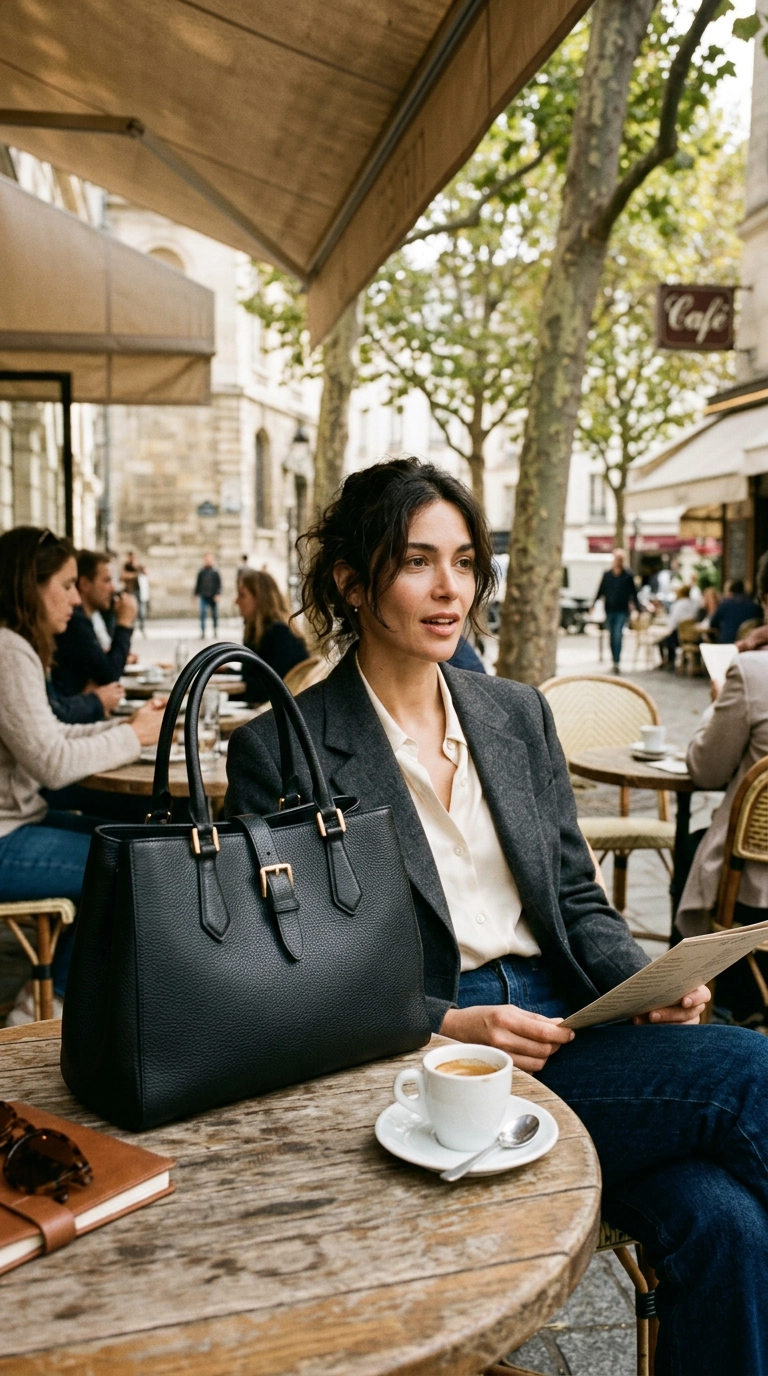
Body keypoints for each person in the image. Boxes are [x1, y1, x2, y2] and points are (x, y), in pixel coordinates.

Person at [226, 458, 768, 1376]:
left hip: (570, 1025)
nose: (451, 590)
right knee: (749, 1072)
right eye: (418, 562)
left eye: (467, 561)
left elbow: (577, 897)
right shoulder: (285, 746)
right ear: (354, 581)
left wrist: (642, 986)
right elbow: (292, 969)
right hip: (430, 1060)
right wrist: (441, 1021)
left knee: (728, 1226)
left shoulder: (513, 714)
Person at [0, 527, 164, 1023]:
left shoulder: (14, 646)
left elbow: (46, 735)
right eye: (67, 584)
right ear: (31, 584)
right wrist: (133, 736)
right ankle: (48, 1005)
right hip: (6, 836)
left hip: (19, 823)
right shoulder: (8, 650)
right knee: (135, 866)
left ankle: (69, 991)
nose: (75, 598)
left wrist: (123, 727)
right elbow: (50, 762)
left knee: (137, 840)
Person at [676, 553, 768, 1015]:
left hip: (755, 890)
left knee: (692, 851)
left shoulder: (752, 672)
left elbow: (705, 771)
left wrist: (716, 703)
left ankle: (694, 1001)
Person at [51, 549, 136, 697]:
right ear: (84, 584)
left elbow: (104, 665)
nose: (113, 588)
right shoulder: (74, 621)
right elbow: (109, 674)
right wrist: (123, 624)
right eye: (106, 580)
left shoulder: (89, 617)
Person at [235, 569, 308, 700]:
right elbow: (255, 676)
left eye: (242, 595)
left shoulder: (279, 634)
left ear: (259, 598)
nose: (236, 601)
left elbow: (270, 687)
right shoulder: (258, 632)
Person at [591, 549, 638, 673]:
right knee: (611, 636)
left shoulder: (628, 575)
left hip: (622, 610)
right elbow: (600, 590)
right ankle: (614, 659)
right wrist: (593, 604)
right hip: (609, 609)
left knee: (618, 634)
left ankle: (617, 661)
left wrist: (637, 609)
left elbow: (634, 593)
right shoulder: (607, 574)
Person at [655, 583, 696, 670]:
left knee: (663, 641)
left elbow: (673, 621)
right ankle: (672, 661)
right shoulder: (694, 604)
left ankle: (668, 661)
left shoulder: (678, 604)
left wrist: (668, 629)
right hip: (693, 635)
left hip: (680, 634)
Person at [710, 578, 763, 644]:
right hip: (749, 644)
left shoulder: (725, 604)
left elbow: (713, 623)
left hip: (727, 643)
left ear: (730, 591)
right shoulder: (755, 606)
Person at [194, 553, 222, 637]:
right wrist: (195, 594)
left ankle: (215, 629)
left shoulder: (215, 572)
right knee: (203, 613)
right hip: (204, 595)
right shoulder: (201, 572)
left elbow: (219, 584)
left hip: (213, 596)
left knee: (215, 614)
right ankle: (203, 631)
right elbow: (198, 584)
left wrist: (218, 594)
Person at [136, 565, 150, 634]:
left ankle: (142, 626)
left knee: (143, 612)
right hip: (140, 597)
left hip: (144, 597)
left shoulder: (145, 577)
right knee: (141, 612)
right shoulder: (139, 577)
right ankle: (141, 626)